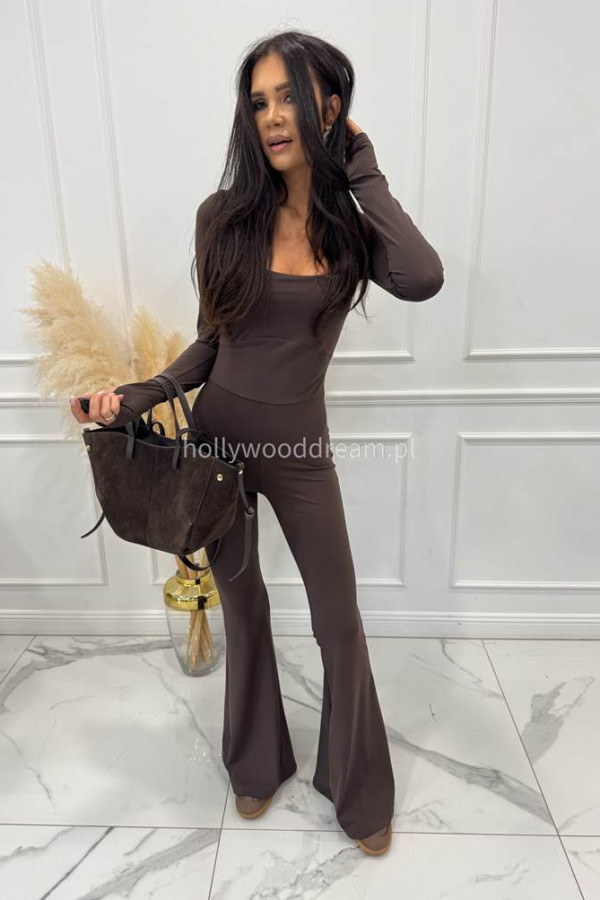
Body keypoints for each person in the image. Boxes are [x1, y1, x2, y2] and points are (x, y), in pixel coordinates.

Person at [70, 31, 444, 856]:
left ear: (330, 108)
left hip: (302, 455)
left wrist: (365, 171)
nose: (272, 117)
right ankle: (256, 763)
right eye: (259, 101)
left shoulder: (354, 232)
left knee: (338, 619)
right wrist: (136, 396)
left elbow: (423, 276)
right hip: (216, 453)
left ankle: (358, 789)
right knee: (244, 607)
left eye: (290, 98)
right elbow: (210, 345)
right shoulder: (224, 217)